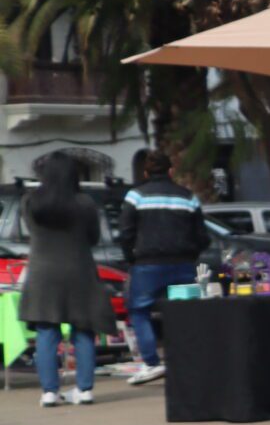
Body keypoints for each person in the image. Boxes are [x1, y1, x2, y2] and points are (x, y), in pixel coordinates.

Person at [20, 154, 115, 407]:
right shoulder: (85, 203)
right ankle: (84, 390)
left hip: (43, 272)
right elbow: (93, 238)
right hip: (79, 270)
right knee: (83, 330)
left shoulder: (31, 202)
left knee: (46, 331)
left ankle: (49, 392)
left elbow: (31, 231)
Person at [117, 148, 206, 386]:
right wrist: (191, 255)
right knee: (183, 313)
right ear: (171, 170)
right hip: (183, 264)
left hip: (147, 265)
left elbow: (125, 233)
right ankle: (186, 361)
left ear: (146, 172)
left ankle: (151, 364)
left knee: (139, 311)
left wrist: (131, 259)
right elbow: (202, 235)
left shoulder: (135, 196)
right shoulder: (188, 197)